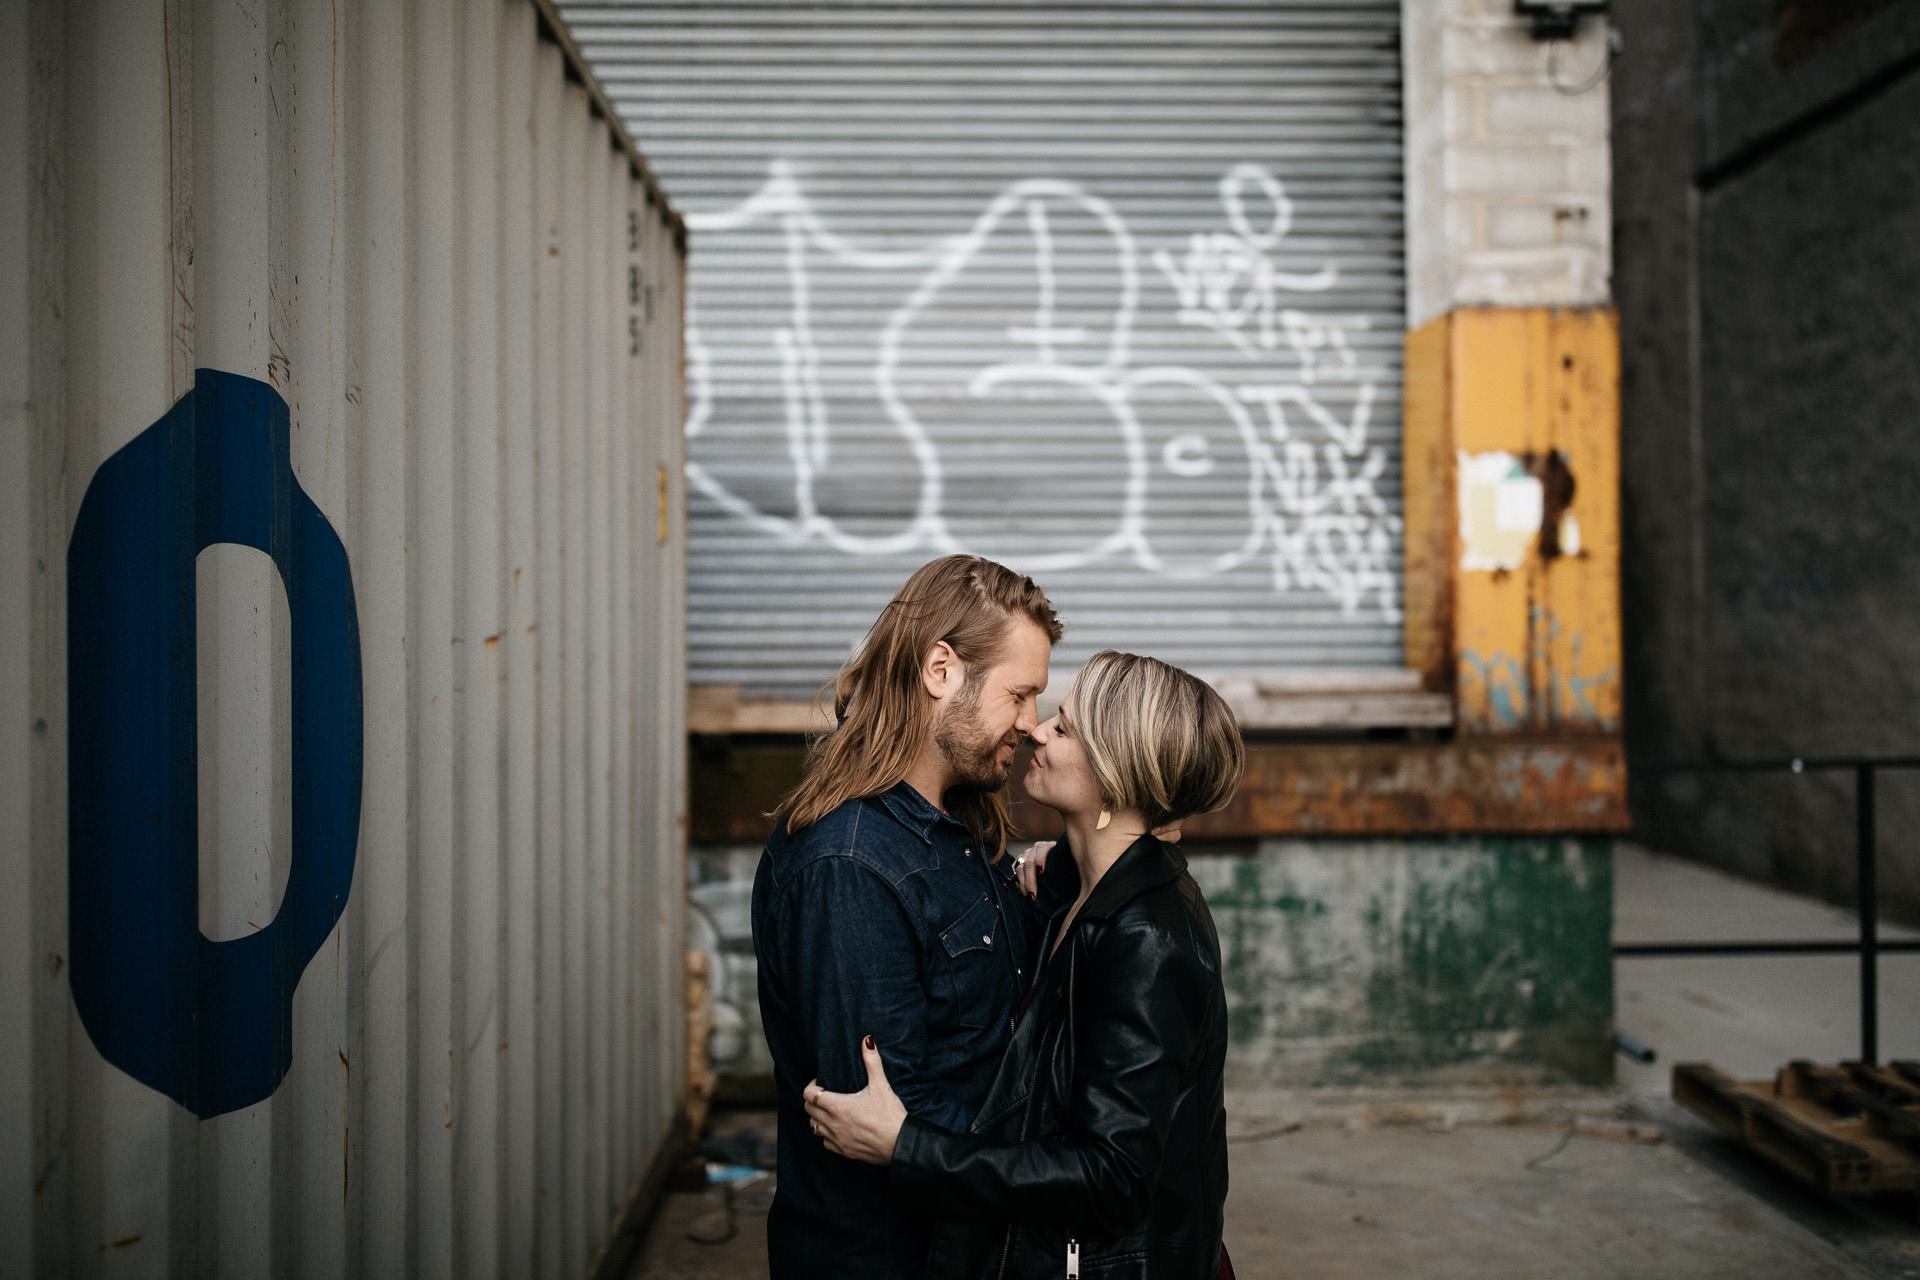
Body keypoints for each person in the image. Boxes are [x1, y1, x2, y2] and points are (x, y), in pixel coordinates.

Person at [803, 650, 1245, 1280]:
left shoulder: (1147, 938)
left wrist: (909, 1147)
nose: (1036, 730)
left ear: (1116, 774)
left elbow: (1112, 1177)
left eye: (1063, 728)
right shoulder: (1081, 888)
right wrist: (1056, 868)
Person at [751, 554, 1073, 1279]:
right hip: (894, 1257)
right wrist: (1071, 1164)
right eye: (1020, 694)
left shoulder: (959, 825)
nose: (1031, 723)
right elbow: (886, 1115)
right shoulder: (852, 867)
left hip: (972, 1243)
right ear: (940, 670)